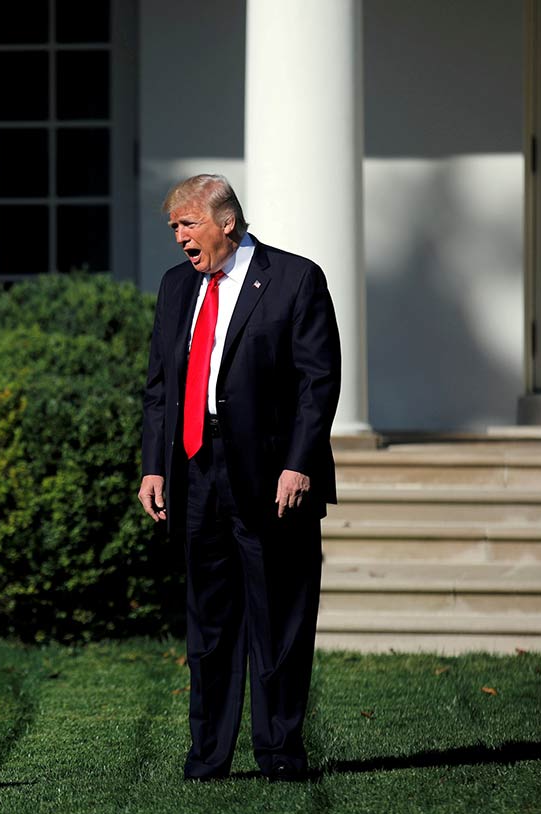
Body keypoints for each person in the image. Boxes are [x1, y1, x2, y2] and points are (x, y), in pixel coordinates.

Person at [138, 174, 341, 782]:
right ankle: (208, 755)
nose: (179, 238)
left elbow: (318, 382)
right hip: (197, 471)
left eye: (188, 224)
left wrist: (299, 462)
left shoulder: (294, 278)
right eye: (174, 227)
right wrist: (154, 465)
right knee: (210, 620)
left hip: (273, 473)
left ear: (227, 222)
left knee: (278, 617)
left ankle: (280, 751)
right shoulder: (178, 287)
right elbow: (159, 389)